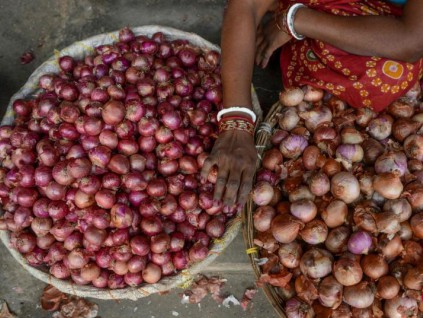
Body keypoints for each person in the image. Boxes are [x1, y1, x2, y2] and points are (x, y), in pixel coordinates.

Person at [200, 0, 423, 211]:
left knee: (389, 75)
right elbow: (246, 4)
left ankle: (293, 20)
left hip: (386, 24)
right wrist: (237, 121)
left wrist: (296, 20)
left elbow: (410, 42)